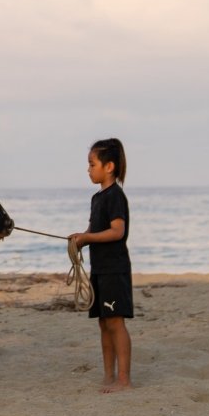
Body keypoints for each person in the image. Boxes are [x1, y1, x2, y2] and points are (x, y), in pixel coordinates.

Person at [68, 138, 133, 393]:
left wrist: (87, 238)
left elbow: (117, 231)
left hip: (115, 270)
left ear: (109, 167)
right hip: (100, 270)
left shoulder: (115, 196)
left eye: (92, 164)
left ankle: (124, 380)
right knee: (103, 323)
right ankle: (109, 376)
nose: (88, 169)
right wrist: (80, 239)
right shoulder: (98, 198)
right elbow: (95, 230)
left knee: (116, 323)